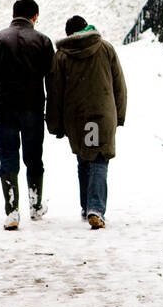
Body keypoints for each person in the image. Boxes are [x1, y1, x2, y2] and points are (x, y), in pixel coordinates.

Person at [0, 0, 54, 229]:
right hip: (33, 108)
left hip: (4, 108)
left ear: (13, 14)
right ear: (35, 17)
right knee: (33, 157)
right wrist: (55, 114)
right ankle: (35, 205)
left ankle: (12, 210)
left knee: (8, 155)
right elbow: (53, 81)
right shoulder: (43, 41)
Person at [46, 15, 127, 230]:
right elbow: (119, 84)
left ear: (68, 35)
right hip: (102, 113)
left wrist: (55, 124)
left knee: (84, 157)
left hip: (76, 116)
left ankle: (86, 206)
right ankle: (96, 209)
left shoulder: (62, 56)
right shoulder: (105, 48)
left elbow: (55, 91)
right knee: (99, 158)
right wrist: (119, 115)